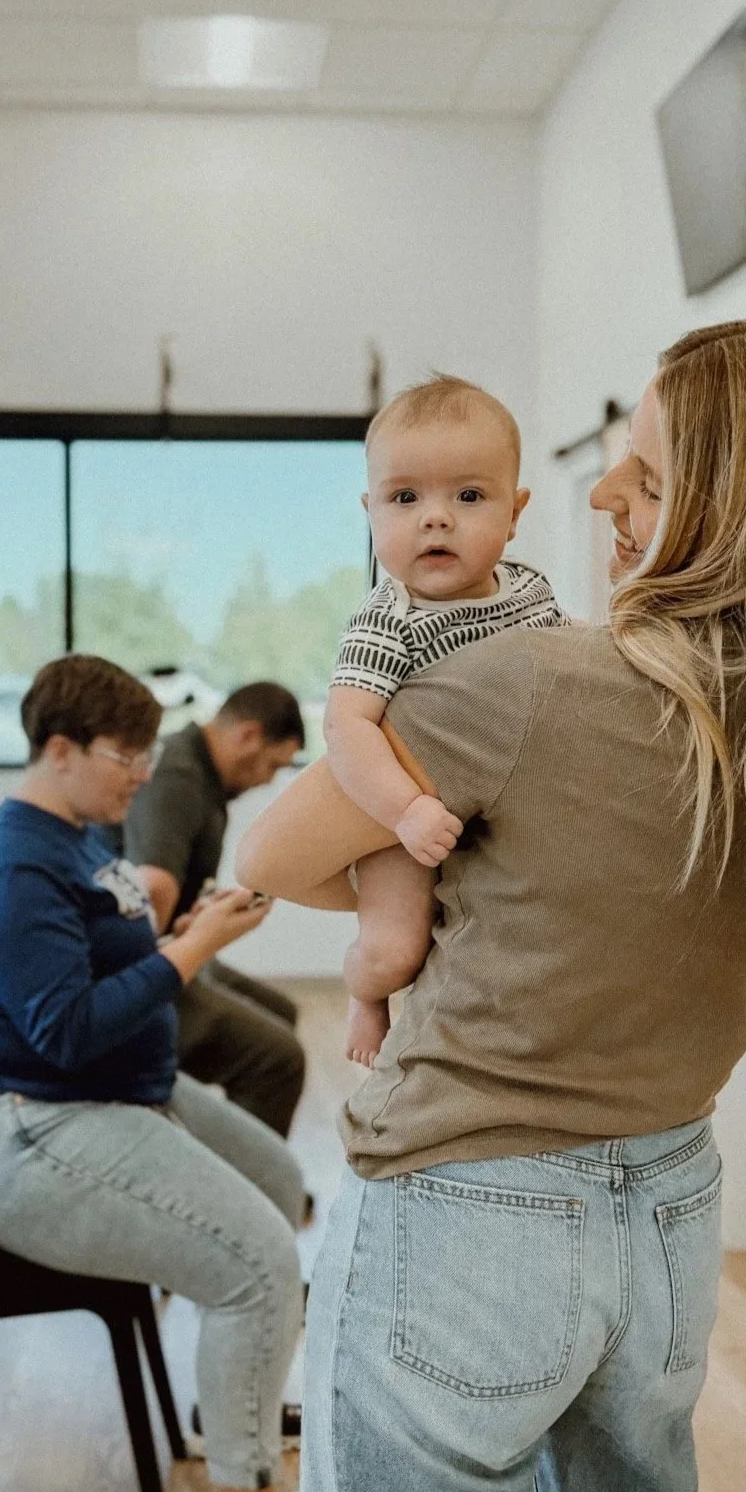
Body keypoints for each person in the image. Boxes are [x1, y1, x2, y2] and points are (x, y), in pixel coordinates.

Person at [236, 316, 746, 1492]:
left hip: (462, 1216)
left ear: (730, 510)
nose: (605, 497)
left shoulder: (524, 683)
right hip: (667, 1218)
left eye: (648, 474)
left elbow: (268, 854)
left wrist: (409, 891)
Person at [0, 653, 306, 1492]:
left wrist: (193, 923)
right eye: (123, 755)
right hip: (32, 1128)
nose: (142, 773)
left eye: (145, 752)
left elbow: (119, 949)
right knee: (257, 1261)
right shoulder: (16, 863)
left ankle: (235, 1409)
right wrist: (194, 948)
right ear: (59, 751)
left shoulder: (79, 837)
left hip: (106, 1097)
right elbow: (66, 1030)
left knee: (278, 1181)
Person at [324, 375, 562, 1066]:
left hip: (502, 806)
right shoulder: (387, 616)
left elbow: (564, 665)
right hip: (407, 819)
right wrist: (403, 812)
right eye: (405, 498)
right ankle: (363, 991)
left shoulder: (531, 591)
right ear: (371, 512)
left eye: (468, 495)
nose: (436, 517)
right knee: (397, 948)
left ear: (514, 512)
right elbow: (347, 726)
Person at [124, 681, 307, 1138]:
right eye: (273, 764)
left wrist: (198, 917)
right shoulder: (180, 777)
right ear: (247, 735)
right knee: (279, 1058)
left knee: (281, 1012)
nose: (268, 779)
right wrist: (191, 935)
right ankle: (254, 1194)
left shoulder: (198, 771)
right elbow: (154, 888)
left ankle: (251, 1163)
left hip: (165, 943)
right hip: (135, 966)